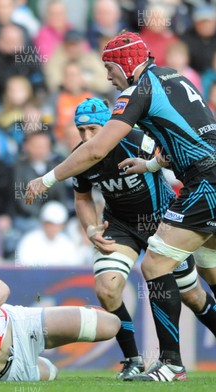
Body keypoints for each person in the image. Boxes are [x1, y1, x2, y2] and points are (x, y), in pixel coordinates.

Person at [25, 31, 216, 382]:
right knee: (210, 268)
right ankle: (137, 358)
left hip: (204, 183)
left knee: (157, 264)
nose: (108, 77)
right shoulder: (172, 75)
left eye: (109, 68)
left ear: (124, 65)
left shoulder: (136, 92)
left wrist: (47, 179)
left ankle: (171, 364)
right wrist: (153, 166)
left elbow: (97, 150)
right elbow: (187, 133)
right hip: (198, 179)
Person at [72, 97, 216, 379]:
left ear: (110, 125)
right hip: (120, 226)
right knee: (107, 289)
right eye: (81, 130)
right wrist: (91, 228)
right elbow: (82, 197)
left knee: (194, 297)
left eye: (93, 129)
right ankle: (133, 360)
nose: (87, 136)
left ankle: (170, 363)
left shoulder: (139, 140)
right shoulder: (82, 156)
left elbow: (178, 159)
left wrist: (159, 163)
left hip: (163, 223)